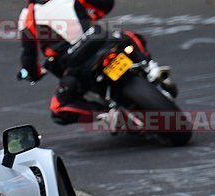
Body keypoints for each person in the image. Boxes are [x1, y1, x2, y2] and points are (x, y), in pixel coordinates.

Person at [17, 0, 153, 125]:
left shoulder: (27, 16)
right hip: (101, 43)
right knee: (129, 36)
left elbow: (28, 56)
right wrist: (90, 16)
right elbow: (105, 4)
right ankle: (150, 67)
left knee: (58, 109)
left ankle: (106, 114)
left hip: (77, 64)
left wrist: (33, 74)